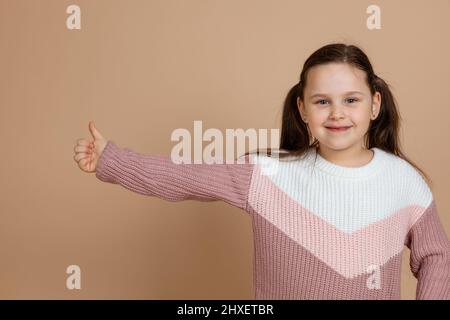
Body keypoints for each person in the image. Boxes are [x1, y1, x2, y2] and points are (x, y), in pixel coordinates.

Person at [73, 43, 450, 300]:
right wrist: (112, 159)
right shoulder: (268, 174)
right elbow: (186, 176)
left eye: (351, 100)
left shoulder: (403, 182)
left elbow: (437, 256)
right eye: (322, 101)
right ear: (302, 109)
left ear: (374, 105)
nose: (337, 113)